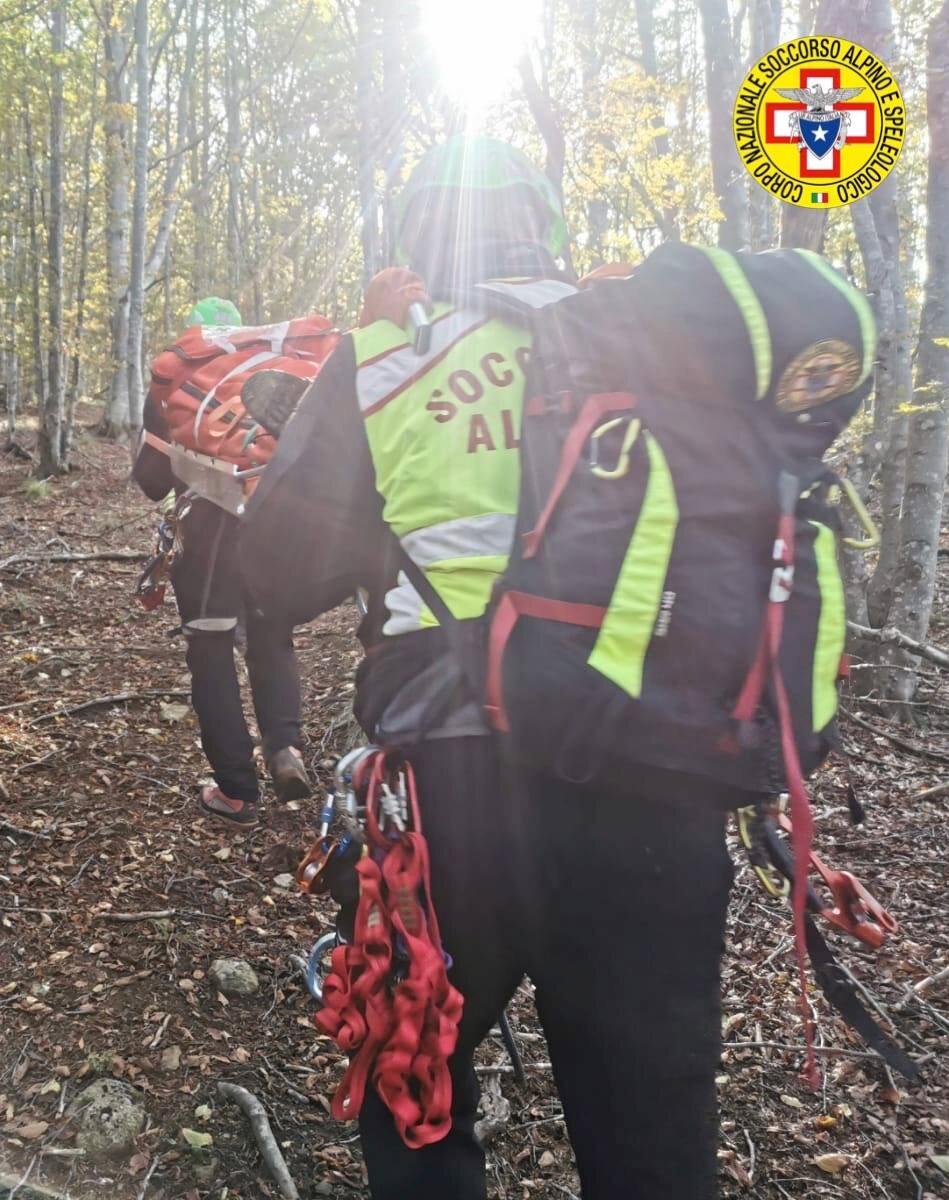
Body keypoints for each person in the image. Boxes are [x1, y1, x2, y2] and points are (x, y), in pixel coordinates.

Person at [241, 135, 735, 1198]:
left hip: (446, 794)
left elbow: (270, 571)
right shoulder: (649, 347)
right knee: (654, 1142)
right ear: (548, 225)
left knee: (418, 1095)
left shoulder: (384, 355)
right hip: (653, 779)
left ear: (416, 237)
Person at [132, 296, 311, 827]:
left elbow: (152, 479)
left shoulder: (177, 387)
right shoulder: (275, 373)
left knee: (211, 652)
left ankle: (236, 792)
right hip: (275, 532)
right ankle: (286, 749)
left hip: (206, 537)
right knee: (271, 639)